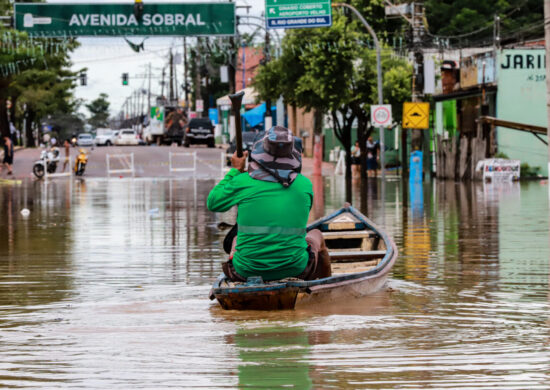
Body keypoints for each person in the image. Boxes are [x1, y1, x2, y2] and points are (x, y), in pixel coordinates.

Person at [207, 126, 332, 282]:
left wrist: (235, 170)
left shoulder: (242, 181)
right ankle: (325, 284)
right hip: (297, 268)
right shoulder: (305, 185)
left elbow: (213, 203)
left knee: (236, 239)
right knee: (316, 235)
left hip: (245, 271)